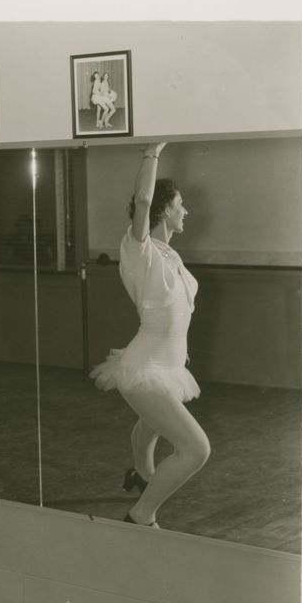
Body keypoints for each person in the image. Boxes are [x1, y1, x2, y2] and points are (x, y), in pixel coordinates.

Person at [89, 143, 209, 528]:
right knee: (195, 448)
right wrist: (152, 152)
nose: (185, 211)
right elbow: (142, 199)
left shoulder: (170, 255)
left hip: (169, 366)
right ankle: (142, 515)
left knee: (151, 425)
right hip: (144, 366)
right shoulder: (139, 250)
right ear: (163, 211)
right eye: (180, 204)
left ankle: (141, 473)